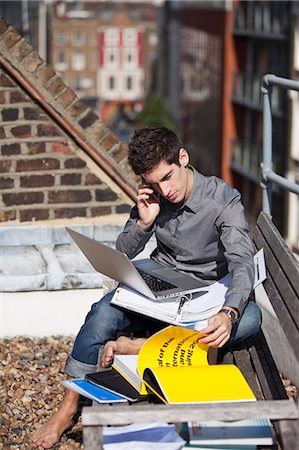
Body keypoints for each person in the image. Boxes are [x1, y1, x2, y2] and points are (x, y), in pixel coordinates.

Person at [32, 127, 261, 448]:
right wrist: (143, 222)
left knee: (250, 319)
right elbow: (123, 250)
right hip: (161, 285)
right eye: (153, 183)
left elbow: (242, 263)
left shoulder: (223, 201)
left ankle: (138, 346)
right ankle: (69, 405)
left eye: (168, 177)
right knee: (101, 313)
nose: (164, 190)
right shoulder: (152, 197)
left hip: (208, 291)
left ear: (183, 158)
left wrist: (229, 311)